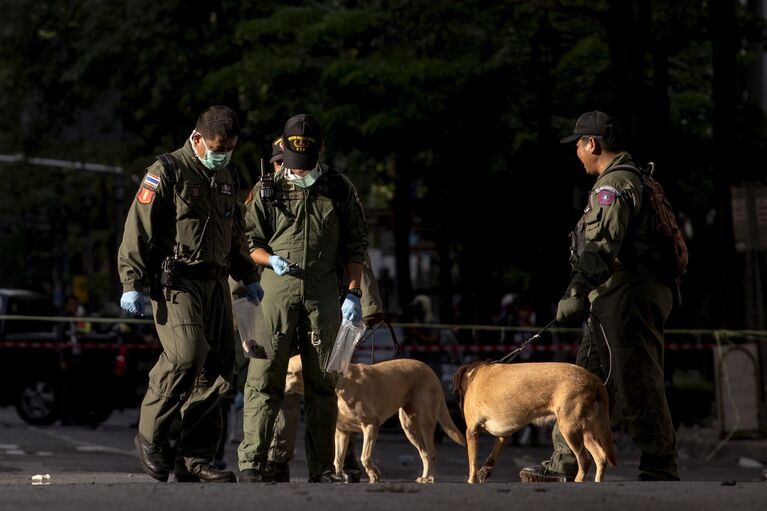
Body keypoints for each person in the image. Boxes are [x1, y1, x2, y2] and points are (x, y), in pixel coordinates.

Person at [519, 111, 679, 483]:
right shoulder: (627, 178)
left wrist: (575, 290)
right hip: (611, 296)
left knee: (638, 377)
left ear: (592, 144)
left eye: (578, 143)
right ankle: (564, 463)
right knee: (580, 381)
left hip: (628, 295)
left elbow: (600, 246)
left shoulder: (615, 185)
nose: (576, 150)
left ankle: (660, 464)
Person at [118, 105, 263, 483]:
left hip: (215, 283)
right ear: (197, 139)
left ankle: (194, 459)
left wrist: (248, 275)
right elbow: (138, 228)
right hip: (176, 282)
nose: (224, 155)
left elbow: (233, 235)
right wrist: (130, 282)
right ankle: (150, 434)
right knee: (187, 355)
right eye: (218, 148)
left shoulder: (226, 176)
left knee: (218, 371)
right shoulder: (166, 170)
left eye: (230, 149)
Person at [237, 113, 368, 483]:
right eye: (293, 166)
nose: (298, 173)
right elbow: (248, 242)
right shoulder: (268, 189)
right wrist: (269, 260)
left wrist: (354, 293)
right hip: (274, 295)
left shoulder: (339, 189)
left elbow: (355, 245)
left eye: (305, 166)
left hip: (325, 296)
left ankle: (323, 467)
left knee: (324, 385)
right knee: (264, 378)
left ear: (320, 152)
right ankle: (253, 463)